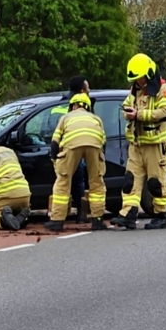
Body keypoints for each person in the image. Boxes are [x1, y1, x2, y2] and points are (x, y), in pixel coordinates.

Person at [110, 53, 166, 230]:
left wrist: (139, 115)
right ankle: (128, 214)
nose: (137, 82)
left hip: (155, 145)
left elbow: (165, 111)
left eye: (139, 78)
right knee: (131, 180)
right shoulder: (135, 89)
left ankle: (160, 215)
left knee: (157, 181)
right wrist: (128, 112)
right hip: (136, 144)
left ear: (148, 73)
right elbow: (126, 106)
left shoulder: (163, 89)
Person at [45, 93, 107, 232]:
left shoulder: (66, 117)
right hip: (95, 146)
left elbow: (55, 142)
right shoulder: (96, 118)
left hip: (72, 146)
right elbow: (104, 142)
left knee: (63, 182)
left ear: (73, 105)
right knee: (96, 183)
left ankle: (57, 221)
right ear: (88, 107)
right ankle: (97, 220)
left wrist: (56, 160)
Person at [67, 75, 90, 219]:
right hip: (75, 147)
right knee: (78, 180)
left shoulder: (64, 101)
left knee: (64, 182)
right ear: (82, 90)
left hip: (67, 147)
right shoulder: (80, 105)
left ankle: (60, 216)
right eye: (88, 88)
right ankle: (82, 213)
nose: (90, 90)